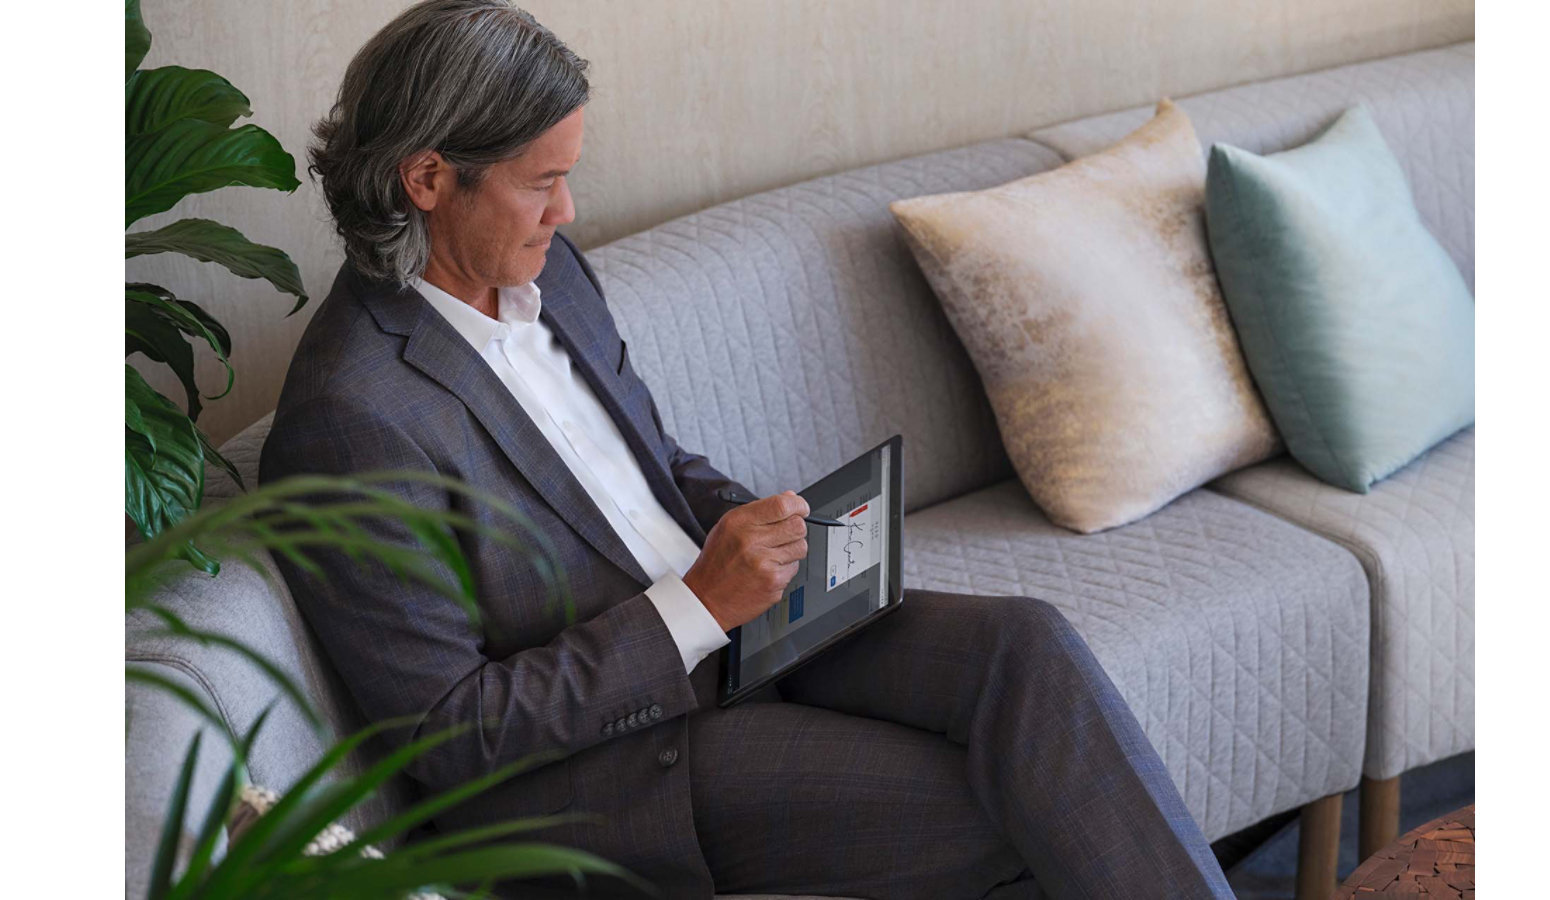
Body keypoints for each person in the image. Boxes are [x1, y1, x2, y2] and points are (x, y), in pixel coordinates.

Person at [261, 2, 1236, 897]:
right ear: (427, 179)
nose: (567, 214)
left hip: (737, 633)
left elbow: (648, 465)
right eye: (543, 184)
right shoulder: (352, 419)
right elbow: (450, 736)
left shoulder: (547, 275)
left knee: (1025, 644)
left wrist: (759, 526)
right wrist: (696, 606)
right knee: (1008, 797)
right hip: (607, 770)